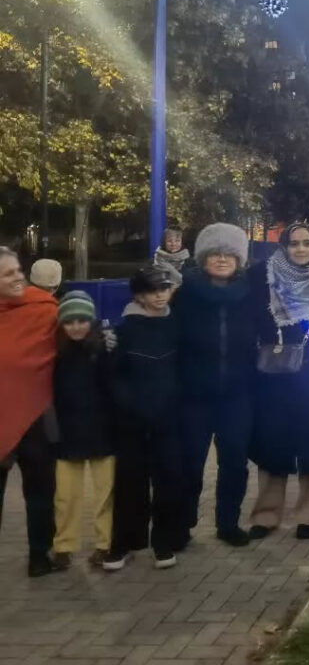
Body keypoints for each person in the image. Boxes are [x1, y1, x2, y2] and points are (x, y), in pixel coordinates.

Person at [248, 223, 309, 541]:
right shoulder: (263, 275)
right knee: (272, 443)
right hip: (273, 372)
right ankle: (266, 514)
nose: (300, 249)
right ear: (284, 246)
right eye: (294, 243)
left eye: (307, 243)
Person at [175, 223, 257, 547]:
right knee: (190, 462)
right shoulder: (185, 294)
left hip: (237, 395)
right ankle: (182, 523)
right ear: (203, 258)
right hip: (193, 395)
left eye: (229, 254)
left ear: (239, 259)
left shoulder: (250, 294)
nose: (222, 259)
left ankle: (228, 523)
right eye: (214, 253)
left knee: (234, 462)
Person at [105, 267, 185, 570]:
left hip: (168, 419)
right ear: (139, 295)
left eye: (164, 289)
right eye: (153, 290)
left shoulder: (176, 325)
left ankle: (163, 543)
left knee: (168, 481)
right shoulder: (124, 330)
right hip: (132, 422)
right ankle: (124, 544)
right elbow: (114, 377)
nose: (160, 295)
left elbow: (183, 369)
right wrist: (130, 407)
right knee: (129, 483)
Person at [0, 247, 58, 577]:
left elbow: (71, 343)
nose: (18, 277)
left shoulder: (44, 307)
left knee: (41, 493)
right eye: (8, 273)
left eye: (18, 270)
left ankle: (40, 555)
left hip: (38, 416)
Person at [51, 291, 116, 571]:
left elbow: (115, 388)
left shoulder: (105, 349)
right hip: (68, 433)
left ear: (91, 320)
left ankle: (105, 544)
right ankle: (63, 546)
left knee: (106, 494)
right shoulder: (55, 352)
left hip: (103, 431)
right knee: (65, 496)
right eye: (69, 321)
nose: (76, 326)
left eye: (82, 320)